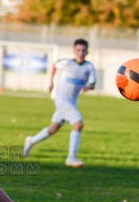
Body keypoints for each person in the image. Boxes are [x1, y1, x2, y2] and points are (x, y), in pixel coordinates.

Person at [22, 38, 96, 167]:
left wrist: (87, 88)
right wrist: (51, 82)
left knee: (53, 129)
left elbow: (93, 84)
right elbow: (53, 65)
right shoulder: (67, 63)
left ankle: (31, 141)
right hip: (61, 100)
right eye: (78, 50)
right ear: (74, 51)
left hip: (72, 102)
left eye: (83, 50)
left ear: (87, 52)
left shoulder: (89, 67)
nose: (80, 53)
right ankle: (71, 158)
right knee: (78, 125)